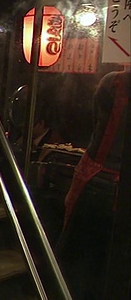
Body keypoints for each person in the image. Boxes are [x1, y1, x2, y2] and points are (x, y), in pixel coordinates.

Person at [57, 67, 129, 299]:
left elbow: (96, 126)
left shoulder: (113, 82)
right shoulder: (113, 83)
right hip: (102, 184)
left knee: (79, 267)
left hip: (98, 180)